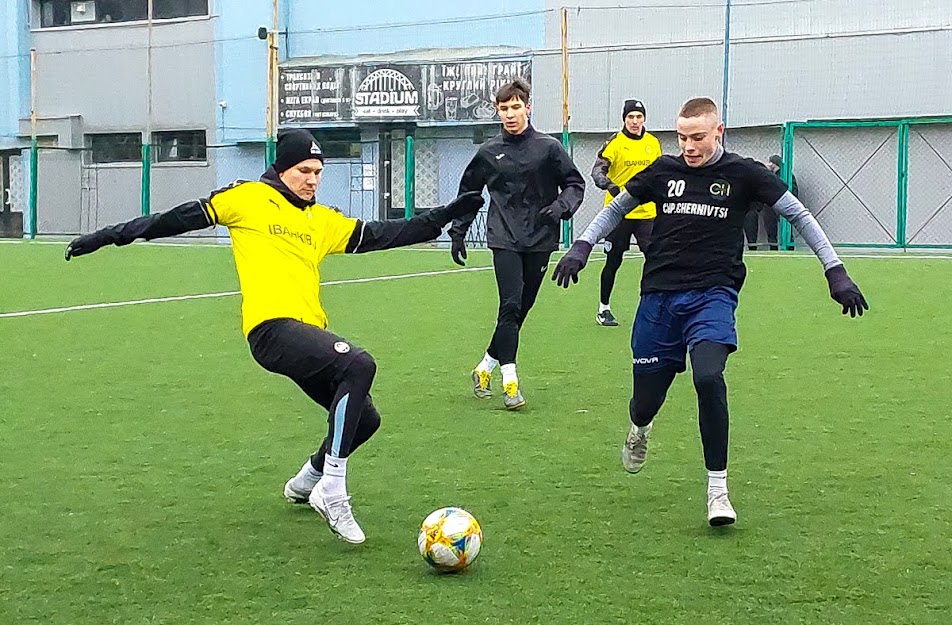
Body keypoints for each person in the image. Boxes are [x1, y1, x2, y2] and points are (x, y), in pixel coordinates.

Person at [64, 129, 484, 544]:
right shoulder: (247, 199)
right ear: (282, 168)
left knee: (365, 420)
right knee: (359, 363)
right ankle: (333, 492)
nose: (313, 179)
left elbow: (381, 234)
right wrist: (107, 236)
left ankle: (307, 482)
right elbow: (171, 220)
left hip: (306, 334)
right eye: (304, 170)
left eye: (319, 171)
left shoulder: (320, 220)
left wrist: (443, 214)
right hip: (270, 330)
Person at [553, 98, 867, 527]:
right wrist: (582, 244)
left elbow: (799, 214)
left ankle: (717, 491)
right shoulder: (664, 171)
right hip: (659, 299)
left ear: (719, 131)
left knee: (707, 375)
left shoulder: (744, 174)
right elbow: (616, 208)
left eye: (698, 137)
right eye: (682, 138)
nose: (689, 147)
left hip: (712, 295)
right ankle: (640, 428)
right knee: (645, 401)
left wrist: (836, 271)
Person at [449, 78, 584, 410]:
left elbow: (575, 183)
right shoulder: (488, 152)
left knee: (520, 309)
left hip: (540, 238)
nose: (509, 114)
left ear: (528, 106)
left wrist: (560, 208)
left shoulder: (549, 148)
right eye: (503, 108)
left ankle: (485, 367)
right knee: (509, 305)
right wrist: (458, 231)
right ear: (498, 111)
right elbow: (469, 193)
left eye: (515, 107)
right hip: (504, 236)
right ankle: (510, 382)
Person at [590, 99, 661, 327]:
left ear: (644, 119)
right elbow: (598, 169)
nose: (634, 121)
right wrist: (606, 183)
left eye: (638, 117)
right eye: (630, 117)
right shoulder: (615, 143)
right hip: (619, 213)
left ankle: (655, 306)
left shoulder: (653, 143)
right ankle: (604, 309)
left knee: (656, 260)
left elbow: (659, 173)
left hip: (647, 213)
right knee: (613, 261)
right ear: (624, 119)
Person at [744, 154, 799, 251]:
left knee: (774, 226)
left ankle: (777, 247)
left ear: (774, 164)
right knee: (780, 226)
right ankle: (782, 247)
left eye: (770, 162)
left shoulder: (781, 176)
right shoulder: (781, 175)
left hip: (775, 205)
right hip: (775, 205)